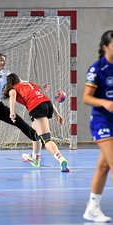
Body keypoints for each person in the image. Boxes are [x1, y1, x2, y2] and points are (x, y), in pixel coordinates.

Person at [3, 73, 70, 172]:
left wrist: (12, 112)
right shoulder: (29, 84)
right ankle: (35, 158)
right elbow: (45, 98)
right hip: (47, 105)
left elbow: (12, 95)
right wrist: (57, 114)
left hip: (37, 107)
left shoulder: (14, 88)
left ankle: (61, 159)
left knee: (46, 139)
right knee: (33, 132)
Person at [82, 30, 113, 223]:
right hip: (102, 122)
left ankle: (92, 208)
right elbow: (86, 97)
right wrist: (105, 103)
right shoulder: (97, 69)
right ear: (106, 47)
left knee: (103, 167)